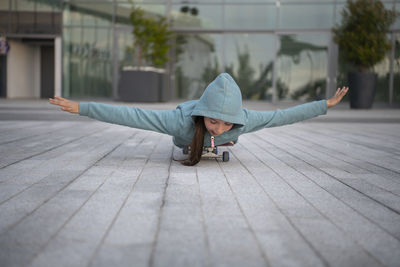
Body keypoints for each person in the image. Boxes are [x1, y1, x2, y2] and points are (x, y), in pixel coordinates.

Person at [49, 73, 348, 166]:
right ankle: (198, 136)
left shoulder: (245, 119)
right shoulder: (180, 122)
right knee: (190, 136)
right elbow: (134, 115)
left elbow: (283, 116)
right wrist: (83, 107)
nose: (218, 127)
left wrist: (325, 104)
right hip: (186, 134)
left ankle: (210, 144)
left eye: (225, 123)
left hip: (213, 137)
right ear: (205, 115)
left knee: (224, 134)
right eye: (213, 121)